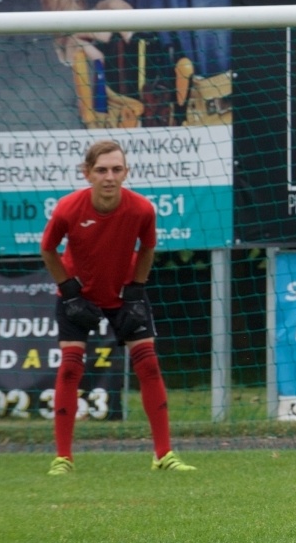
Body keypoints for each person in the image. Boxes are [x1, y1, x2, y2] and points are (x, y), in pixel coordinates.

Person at [40, 140, 195, 474]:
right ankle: (63, 458)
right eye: (101, 170)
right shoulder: (68, 208)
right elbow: (48, 249)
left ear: (126, 172)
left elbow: (149, 247)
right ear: (87, 173)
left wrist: (136, 291)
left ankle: (164, 455)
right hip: (78, 295)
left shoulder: (141, 209)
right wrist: (69, 291)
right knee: (69, 367)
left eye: (116, 169)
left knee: (149, 364)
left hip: (124, 295)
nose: (109, 177)